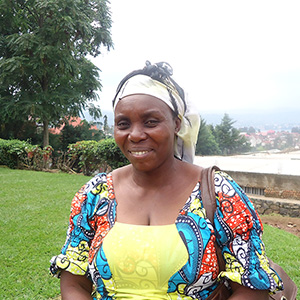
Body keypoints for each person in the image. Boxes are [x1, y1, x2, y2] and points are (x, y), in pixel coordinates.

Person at [50, 61, 283, 300]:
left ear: (177, 124)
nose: (136, 134)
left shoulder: (221, 193)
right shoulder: (95, 195)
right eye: (123, 124)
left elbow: (251, 288)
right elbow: (74, 283)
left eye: (151, 122)